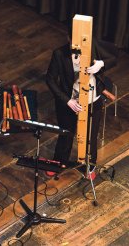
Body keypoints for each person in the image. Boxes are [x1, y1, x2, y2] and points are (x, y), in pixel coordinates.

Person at [46, 26, 117, 179]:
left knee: (91, 135)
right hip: (70, 100)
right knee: (66, 133)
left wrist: (101, 64)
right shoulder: (59, 54)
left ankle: (90, 166)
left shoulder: (93, 45)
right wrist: (67, 101)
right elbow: (50, 80)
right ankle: (58, 162)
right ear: (68, 39)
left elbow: (113, 58)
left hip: (93, 98)